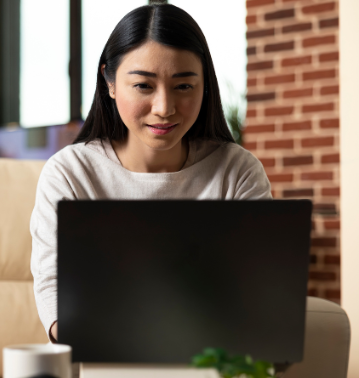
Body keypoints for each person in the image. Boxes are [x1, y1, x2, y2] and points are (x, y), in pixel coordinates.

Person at [29, 3, 272, 343]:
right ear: (110, 83)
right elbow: (54, 292)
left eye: (184, 86)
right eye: (144, 86)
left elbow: (259, 294)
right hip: (103, 355)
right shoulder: (70, 173)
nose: (164, 108)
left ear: (205, 86)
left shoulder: (238, 172)